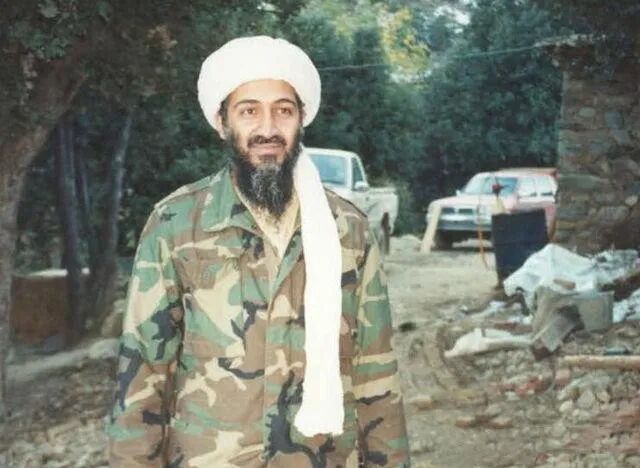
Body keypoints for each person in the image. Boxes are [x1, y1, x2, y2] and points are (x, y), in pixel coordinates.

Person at [107, 36, 410, 468]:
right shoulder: (175, 224)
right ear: (222, 123)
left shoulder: (348, 229)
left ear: (301, 120)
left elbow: (375, 373)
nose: (268, 128)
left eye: (283, 110)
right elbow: (142, 373)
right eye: (249, 111)